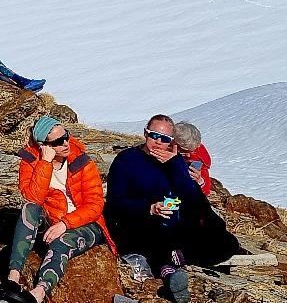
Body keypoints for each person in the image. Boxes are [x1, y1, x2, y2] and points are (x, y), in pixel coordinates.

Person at [103, 115, 243, 303]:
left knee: (226, 242)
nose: (158, 142)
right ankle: (167, 269)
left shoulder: (175, 162)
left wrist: (176, 164)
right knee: (151, 238)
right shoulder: (127, 160)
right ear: (145, 133)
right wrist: (149, 208)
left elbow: (197, 200)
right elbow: (116, 202)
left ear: (172, 142)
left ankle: (174, 259)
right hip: (139, 221)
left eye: (165, 139)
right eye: (154, 135)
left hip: (173, 224)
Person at [0, 116, 113, 303]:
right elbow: (34, 198)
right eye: (58, 141)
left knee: (62, 242)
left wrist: (65, 224)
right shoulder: (30, 161)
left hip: (86, 223)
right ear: (44, 146)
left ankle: (39, 293)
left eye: (66, 136)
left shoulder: (82, 162)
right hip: (51, 217)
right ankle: (13, 278)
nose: (66, 143)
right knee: (29, 209)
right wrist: (45, 163)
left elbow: (95, 205)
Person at [173, 122, 213, 196]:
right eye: (184, 151)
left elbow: (205, 190)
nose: (188, 155)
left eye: (192, 151)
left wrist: (200, 181)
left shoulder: (198, 160)